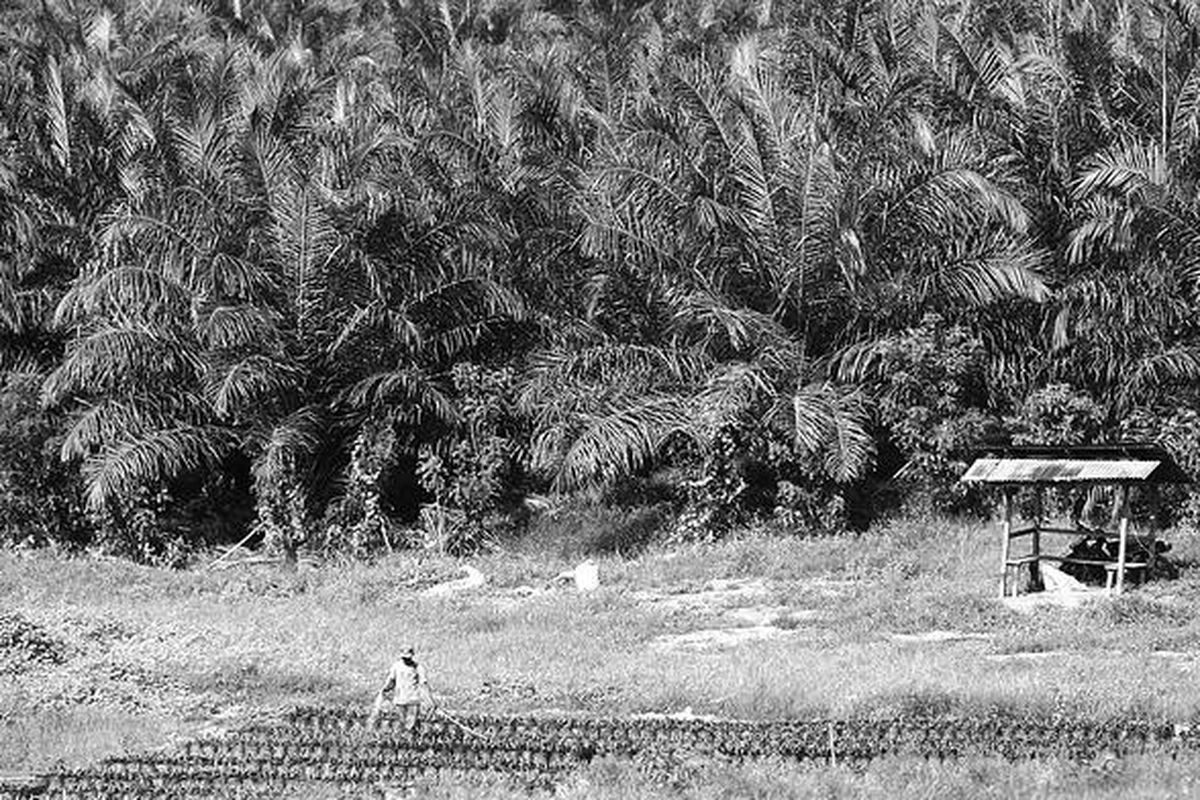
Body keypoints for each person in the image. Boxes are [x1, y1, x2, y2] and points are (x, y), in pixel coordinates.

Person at [372, 646, 432, 731]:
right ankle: (406, 737)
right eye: (404, 658)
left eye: (408, 658)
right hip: (400, 700)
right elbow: (391, 681)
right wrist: (385, 689)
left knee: (411, 724)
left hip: (413, 700)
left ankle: (411, 735)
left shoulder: (418, 667)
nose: (406, 660)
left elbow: (423, 683)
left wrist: (429, 699)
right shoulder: (396, 666)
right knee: (402, 723)